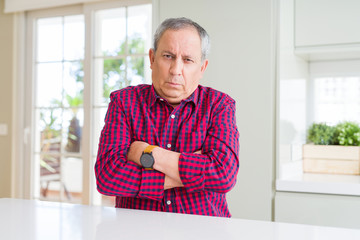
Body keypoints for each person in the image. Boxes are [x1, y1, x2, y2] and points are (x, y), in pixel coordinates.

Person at [95, 17, 239, 218]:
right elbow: (108, 177)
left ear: (202, 68)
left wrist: (146, 153)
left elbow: (223, 175)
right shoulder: (123, 102)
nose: (175, 70)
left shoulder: (219, 105)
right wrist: (194, 170)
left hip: (206, 231)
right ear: (152, 59)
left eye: (188, 60)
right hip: (136, 231)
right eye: (168, 56)